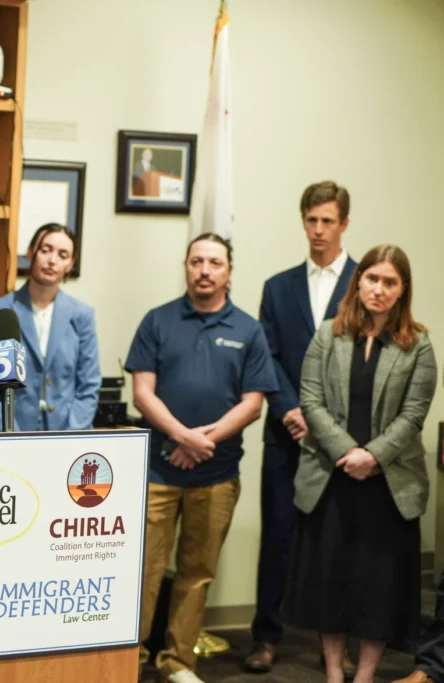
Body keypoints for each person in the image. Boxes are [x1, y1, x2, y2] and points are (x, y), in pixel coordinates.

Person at [126, 232, 277, 683]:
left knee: (196, 574)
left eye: (214, 262)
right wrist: (182, 436)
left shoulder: (248, 330)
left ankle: (177, 662)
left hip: (216, 474)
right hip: (157, 472)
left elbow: (253, 404)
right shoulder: (158, 320)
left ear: (229, 271)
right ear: (186, 267)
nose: (205, 270)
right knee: (143, 571)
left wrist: (201, 442)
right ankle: (127, 662)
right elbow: (142, 392)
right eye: (196, 261)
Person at [283, 245, 437, 683]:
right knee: (330, 584)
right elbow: (311, 401)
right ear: (359, 281)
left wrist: (372, 457)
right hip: (332, 480)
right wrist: (347, 453)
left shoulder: (418, 344)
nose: (379, 289)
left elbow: (414, 414)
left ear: (402, 289)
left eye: (390, 282)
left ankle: (365, 675)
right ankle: (334, 673)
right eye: (372, 278)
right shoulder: (328, 335)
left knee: (378, 588)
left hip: (388, 485)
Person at [245, 181, 357, 674]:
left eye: (327, 220)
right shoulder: (278, 286)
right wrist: (292, 410)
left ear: (344, 224)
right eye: (311, 220)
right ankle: (266, 638)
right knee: (278, 538)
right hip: (285, 434)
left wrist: (323, 422)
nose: (318, 230)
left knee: (339, 544)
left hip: (345, 439)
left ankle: (338, 645)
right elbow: (266, 356)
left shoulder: (365, 282)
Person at [0, 223, 101, 431]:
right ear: (30, 253)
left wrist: (71, 437)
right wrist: (11, 436)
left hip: (69, 433)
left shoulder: (82, 315)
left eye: (63, 255)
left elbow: (89, 384)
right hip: (15, 432)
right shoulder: (2, 311)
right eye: (46, 250)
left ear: (70, 264)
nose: (52, 260)